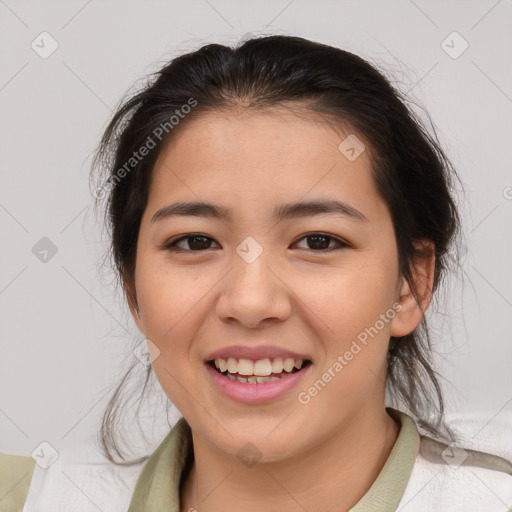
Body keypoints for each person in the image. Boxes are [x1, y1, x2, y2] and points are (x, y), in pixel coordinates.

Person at [2, 34, 511, 512]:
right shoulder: (34, 497)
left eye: (318, 241)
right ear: (132, 286)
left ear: (410, 285)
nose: (250, 302)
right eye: (195, 241)